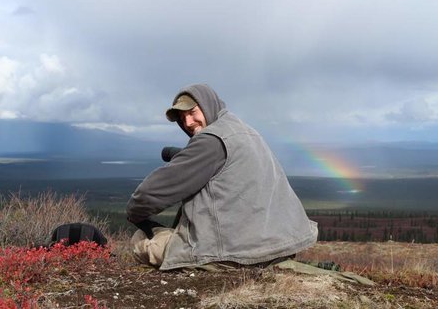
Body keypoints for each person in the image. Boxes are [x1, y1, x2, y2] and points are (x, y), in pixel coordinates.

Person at [126, 83, 317, 270]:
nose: (188, 123)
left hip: (238, 252)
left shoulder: (210, 142)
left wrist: (135, 214)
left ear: (207, 106)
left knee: (140, 239)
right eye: (183, 118)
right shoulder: (244, 131)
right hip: (280, 244)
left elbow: (151, 193)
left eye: (192, 113)